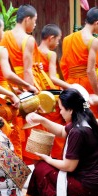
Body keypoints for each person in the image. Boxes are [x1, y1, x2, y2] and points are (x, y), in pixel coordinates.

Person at [24, 88, 98, 196]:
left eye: (61, 109)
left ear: (70, 109)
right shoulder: (86, 119)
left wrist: (47, 158)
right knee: (45, 166)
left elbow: (68, 166)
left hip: (89, 186)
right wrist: (42, 120)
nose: (60, 112)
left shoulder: (78, 131)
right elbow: (62, 131)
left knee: (42, 168)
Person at [0, 14, 38, 158]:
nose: (3, 33)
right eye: (1, 29)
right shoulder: (0, 50)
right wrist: (27, 86)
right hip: (2, 97)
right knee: (8, 133)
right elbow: (7, 75)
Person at [60, 7, 98, 115]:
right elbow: (90, 70)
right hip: (86, 85)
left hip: (70, 84)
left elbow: (63, 66)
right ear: (96, 23)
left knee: (73, 116)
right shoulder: (93, 41)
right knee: (89, 117)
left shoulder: (67, 39)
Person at [34, 24, 69, 160]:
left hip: (38, 96)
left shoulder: (34, 51)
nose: (58, 43)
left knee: (41, 127)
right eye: (58, 40)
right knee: (57, 128)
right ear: (51, 38)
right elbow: (53, 78)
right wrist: (69, 86)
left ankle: (41, 157)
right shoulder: (51, 54)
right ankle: (57, 157)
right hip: (52, 96)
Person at [1, 4, 40, 88]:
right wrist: (30, 91)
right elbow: (27, 71)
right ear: (28, 19)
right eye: (35, 20)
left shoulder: (4, 36)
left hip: (8, 83)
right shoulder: (28, 39)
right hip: (22, 82)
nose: (35, 24)